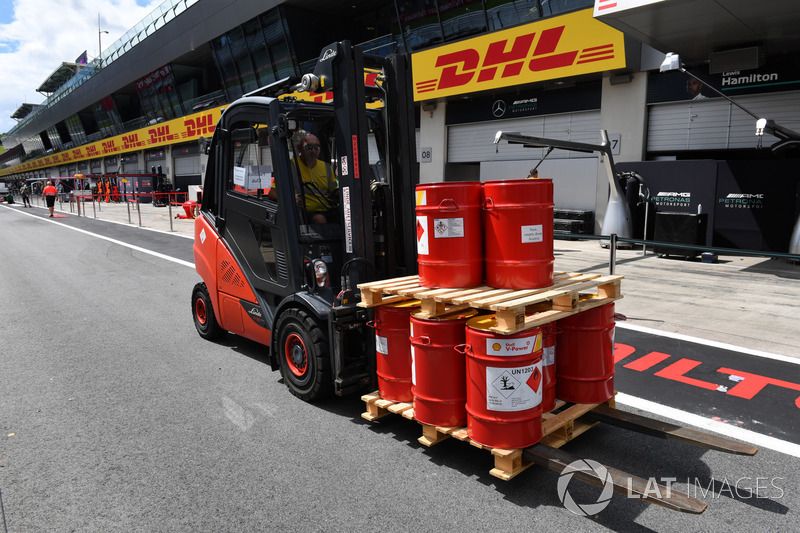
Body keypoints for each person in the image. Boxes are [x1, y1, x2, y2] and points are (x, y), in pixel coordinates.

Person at [294, 131, 337, 224]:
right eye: (309, 147)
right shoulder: (291, 166)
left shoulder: (326, 167)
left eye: (316, 147)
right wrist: (292, 198)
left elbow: (334, 191)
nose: (313, 151)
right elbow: (273, 193)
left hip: (326, 209)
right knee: (319, 219)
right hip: (303, 212)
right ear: (299, 149)